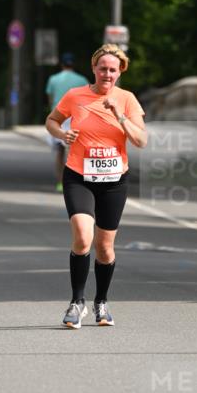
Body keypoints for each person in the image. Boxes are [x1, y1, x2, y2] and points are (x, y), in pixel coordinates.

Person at [45, 43, 147, 329]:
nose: (107, 74)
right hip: (79, 175)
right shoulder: (75, 95)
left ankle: (101, 301)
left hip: (114, 182)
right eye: (102, 68)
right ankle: (77, 302)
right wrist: (61, 133)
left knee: (104, 248)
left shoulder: (126, 99)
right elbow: (51, 120)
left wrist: (120, 115)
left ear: (120, 72)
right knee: (82, 236)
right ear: (94, 68)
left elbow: (141, 141)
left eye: (113, 70)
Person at [45, 52, 88, 191]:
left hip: (59, 117)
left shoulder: (53, 79)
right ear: (73, 64)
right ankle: (75, 181)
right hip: (76, 116)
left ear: (62, 64)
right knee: (75, 150)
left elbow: (50, 100)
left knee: (60, 150)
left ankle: (60, 182)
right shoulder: (82, 80)